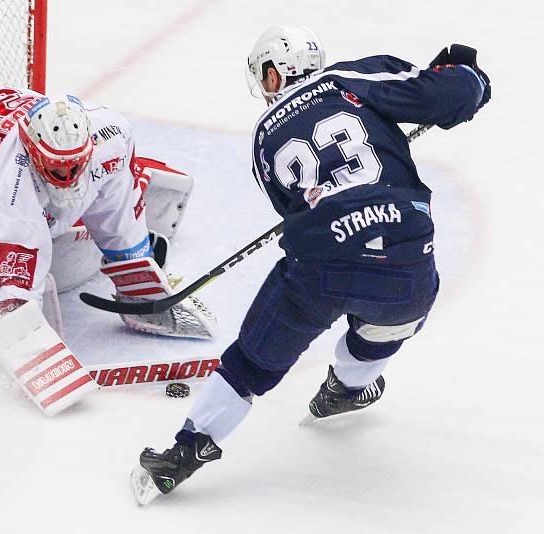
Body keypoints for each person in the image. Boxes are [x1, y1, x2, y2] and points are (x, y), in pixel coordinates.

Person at [131, 25, 491, 504]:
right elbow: (452, 95)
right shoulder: (349, 78)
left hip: (320, 262)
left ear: (275, 73)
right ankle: (346, 389)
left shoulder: (263, 135)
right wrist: (464, 73)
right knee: (390, 320)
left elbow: (290, 208)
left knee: (252, 362)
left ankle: (186, 450)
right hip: (407, 256)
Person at [0, 82, 215, 415]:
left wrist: (135, 268)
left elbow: (118, 213)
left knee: (81, 201)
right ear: (32, 150)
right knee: (7, 254)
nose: (66, 175)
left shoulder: (111, 135)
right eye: (56, 168)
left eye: (75, 165)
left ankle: (61, 197)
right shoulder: (10, 180)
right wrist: (20, 327)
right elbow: (7, 276)